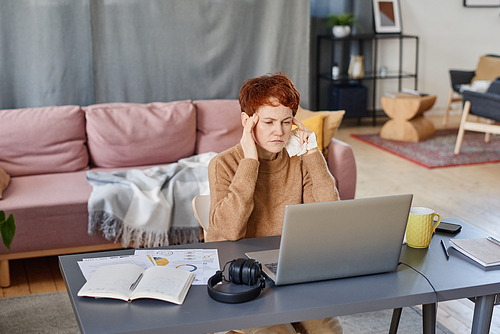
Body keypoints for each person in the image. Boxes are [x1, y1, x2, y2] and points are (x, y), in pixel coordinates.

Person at [207, 73, 342, 334]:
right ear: (247, 121)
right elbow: (229, 230)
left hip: (289, 272)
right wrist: (250, 161)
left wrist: (313, 153)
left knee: (330, 331)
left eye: (286, 122)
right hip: (241, 276)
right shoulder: (223, 164)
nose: (278, 132)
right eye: (268, 122)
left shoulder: (298, 160)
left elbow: (329, 213)